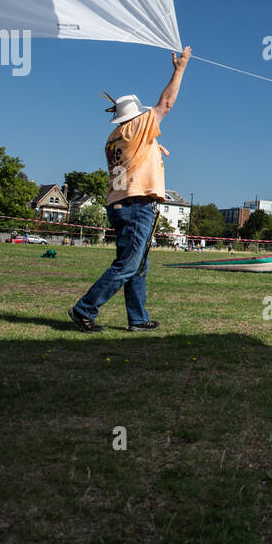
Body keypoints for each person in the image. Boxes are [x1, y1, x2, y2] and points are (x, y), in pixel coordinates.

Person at [70, 46, 191, 332]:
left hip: (119, 203)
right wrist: (180, 69)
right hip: (136, 205)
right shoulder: (137, 127)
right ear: (136, 115)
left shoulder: (114, 137)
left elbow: (130, 162)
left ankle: (137, 318)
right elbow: (166, 104)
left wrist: (153, 145)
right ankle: (84, 309)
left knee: (137, 264)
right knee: (128, 265)